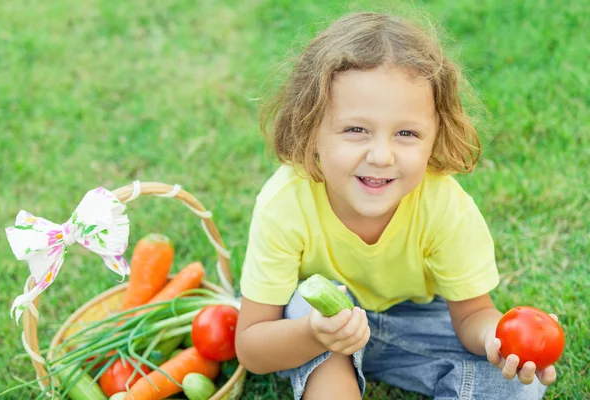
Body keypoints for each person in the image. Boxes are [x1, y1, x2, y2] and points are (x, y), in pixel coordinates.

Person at [235, 11, 558, 400]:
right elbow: (251, 347)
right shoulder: (284, 204)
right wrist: (313, 333)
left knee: (522, 387)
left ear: (435, 135)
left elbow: (473, 315)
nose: (382, 156)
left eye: (406, 133)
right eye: (356, 130)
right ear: (311, 129)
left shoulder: (444, 206)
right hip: (317, 327)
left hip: (414, 322)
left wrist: (500, 339)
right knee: (308, 299)